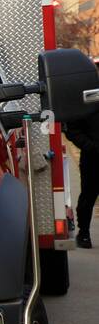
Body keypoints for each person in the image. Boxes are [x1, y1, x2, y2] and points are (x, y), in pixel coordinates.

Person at [65, 65, 99, 248]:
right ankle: (84, 233)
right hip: (93, 158)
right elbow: (73, 128)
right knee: (89, 195)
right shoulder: (88, 96)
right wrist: (90, 146)